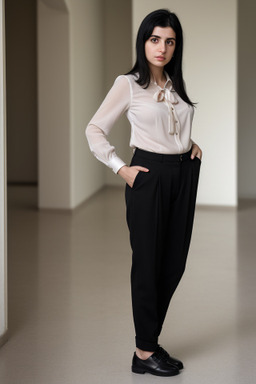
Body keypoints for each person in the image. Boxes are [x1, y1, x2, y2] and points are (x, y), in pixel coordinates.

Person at [85, 8, 202, 377]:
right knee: (148, 265)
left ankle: (148, 340)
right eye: (155, 39)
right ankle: (144, 350)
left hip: (183, 174)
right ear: (144, 41)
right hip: (148, 177)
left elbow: (170, 127)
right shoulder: (129, 84)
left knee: (174, 262)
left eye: (169, 41)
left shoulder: (174, 85)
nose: (162, 48)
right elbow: (94, 129)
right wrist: (121, 167)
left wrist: (190, 144)